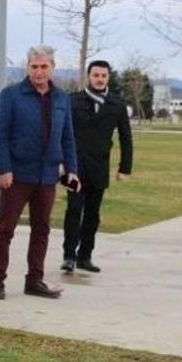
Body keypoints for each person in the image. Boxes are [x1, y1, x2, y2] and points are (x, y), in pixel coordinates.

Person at [0, 45, 79, 300]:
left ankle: (34, 280)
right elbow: (1, 134)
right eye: (34, 66)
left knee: (41, 229)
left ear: (53, 67)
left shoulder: (61, 98)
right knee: (6, 228)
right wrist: (4, 168)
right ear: (27, 67)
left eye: (44, 66)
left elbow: (68, 137)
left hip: (47, 176)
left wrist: (72, 170)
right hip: (17, 175)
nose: (39, 72)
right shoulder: (11, 95)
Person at [61, 60, 133, 273]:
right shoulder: (72, 100)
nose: (100, 79)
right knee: (74, 211)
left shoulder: (117, 105)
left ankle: (85, 256)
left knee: (93, 214)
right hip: (75, 168)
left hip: (99, 167)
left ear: (108, 77)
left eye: (103, 75)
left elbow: (126, 137)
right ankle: (69, 256)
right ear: (88, 76)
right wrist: (61, 163)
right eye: (96, 75)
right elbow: (62, 133)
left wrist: (125, 168)